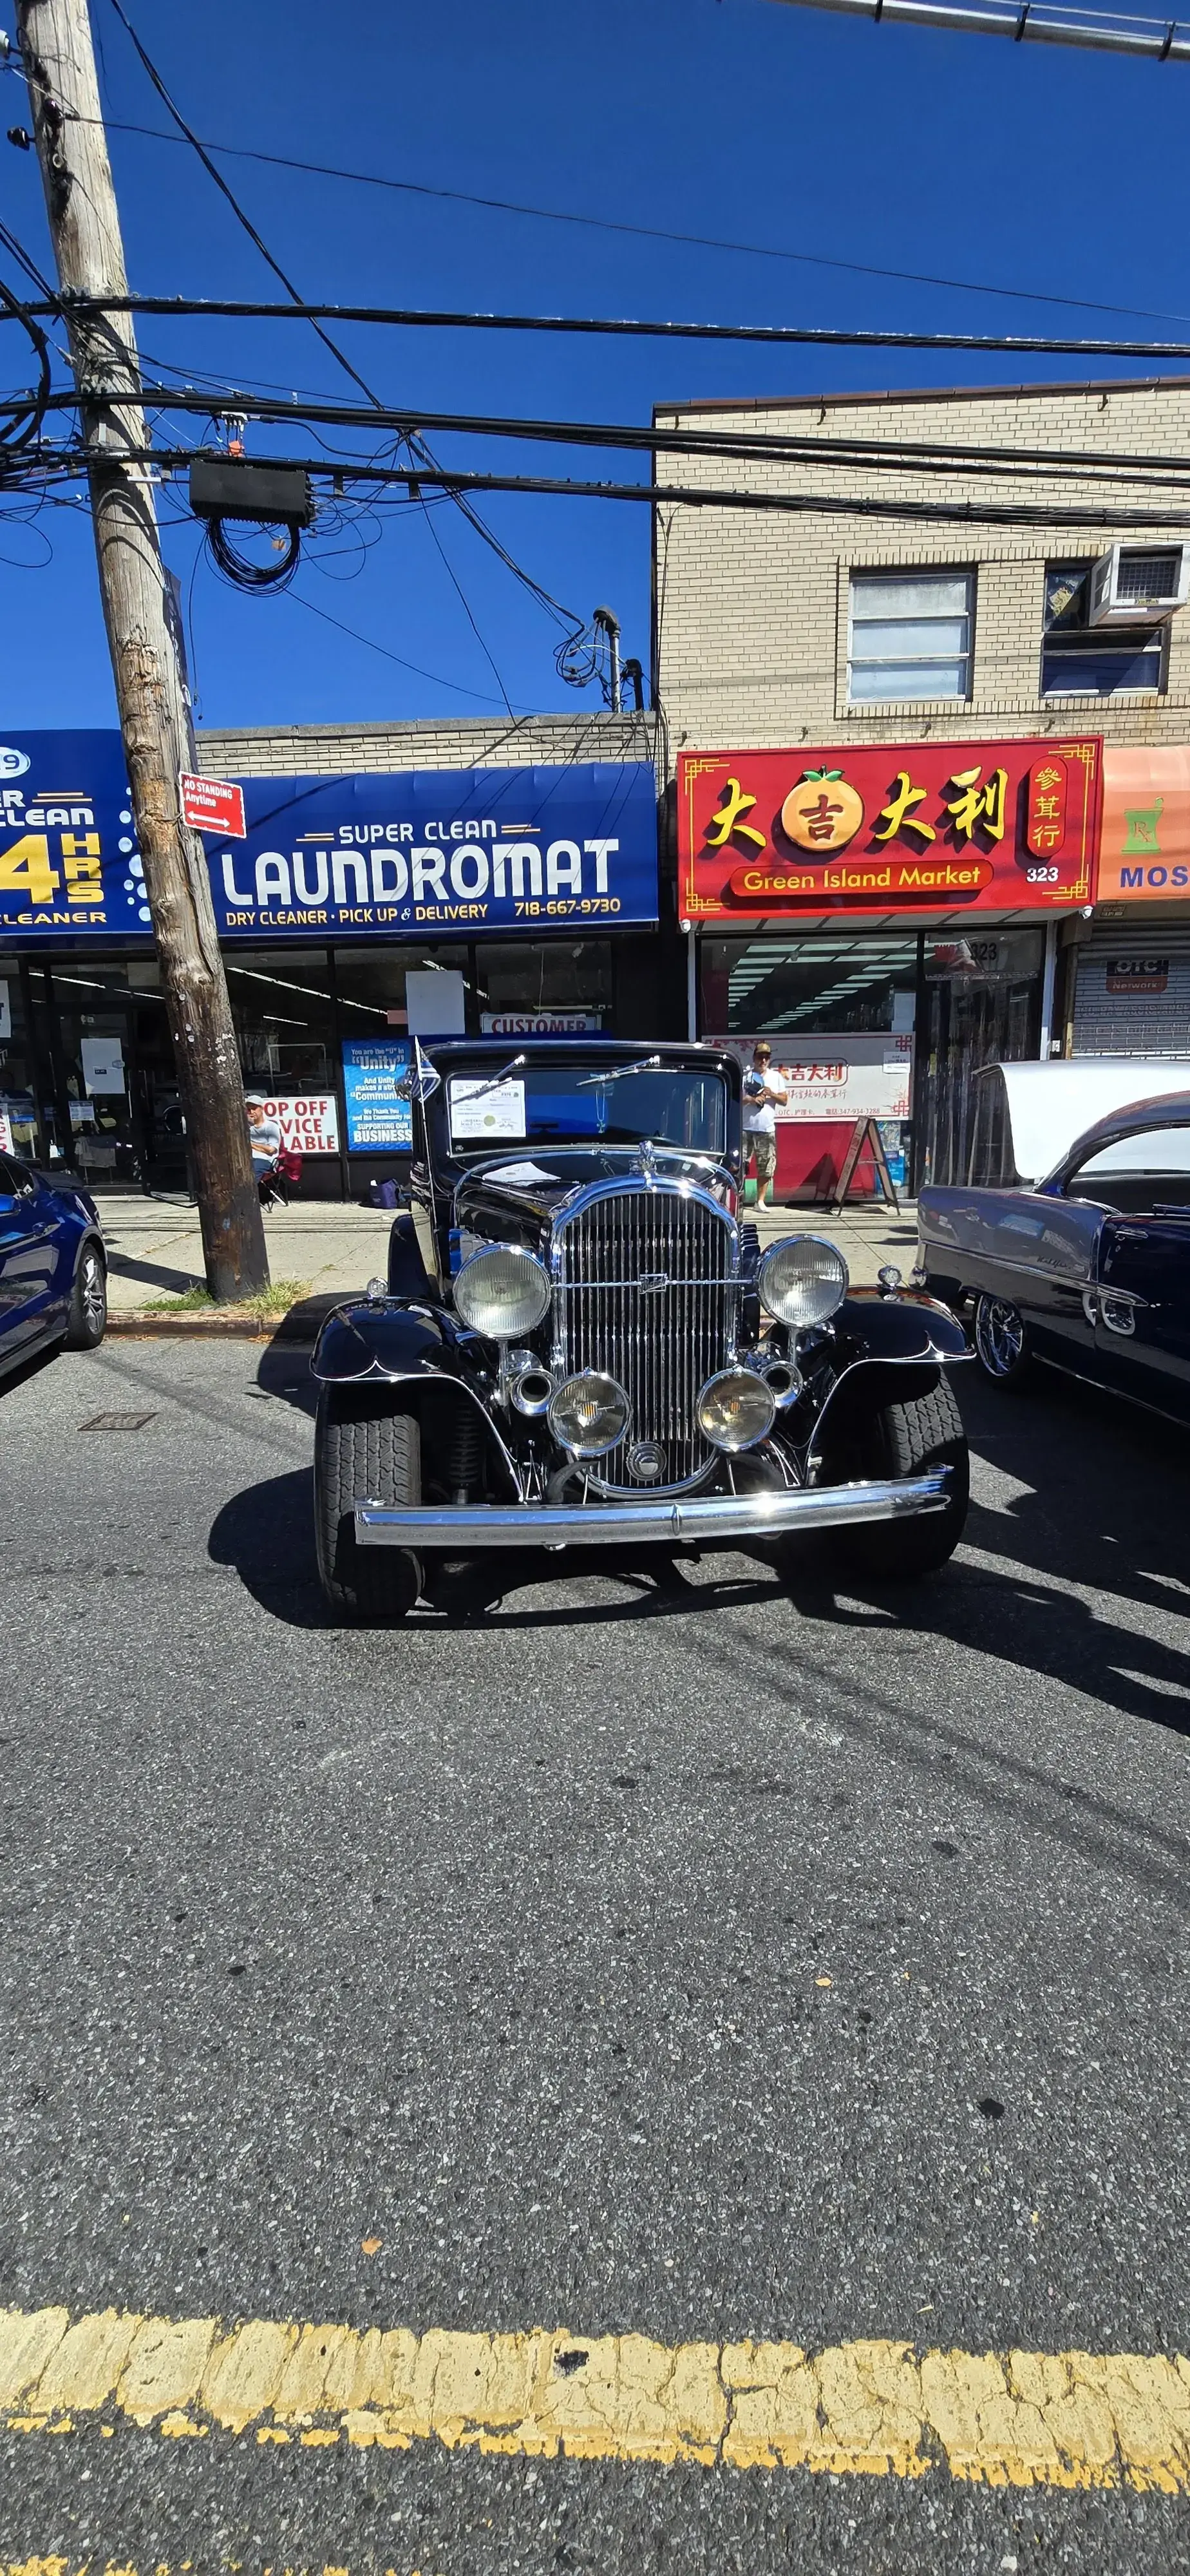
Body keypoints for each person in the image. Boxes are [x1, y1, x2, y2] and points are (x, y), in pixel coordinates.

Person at [742, 1041, 788, 1211]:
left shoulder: (776, 1077)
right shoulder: (745, 1076)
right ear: (754, 1058)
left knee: (766, 1167)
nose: (763, 1060)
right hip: (745, 1128)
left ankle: (759, 1201)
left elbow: (784, 1101)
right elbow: (735, 1100)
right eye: (760, 1057)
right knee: (739, 1166)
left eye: (767, 1057)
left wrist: (771, 1094)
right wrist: (751, 1099)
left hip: (766, 1130)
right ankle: (738, 1199)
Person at [245, 1092, 282, 1185]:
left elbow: (271, 1150)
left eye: (254, 1109)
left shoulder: (271, 1127)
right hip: (248, 1159)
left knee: (252, 1171)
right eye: (249, 1110)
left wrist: (250, 1144)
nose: (251, 1112)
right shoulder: (245, 1127)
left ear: (262, 1109)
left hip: (265, 1160)